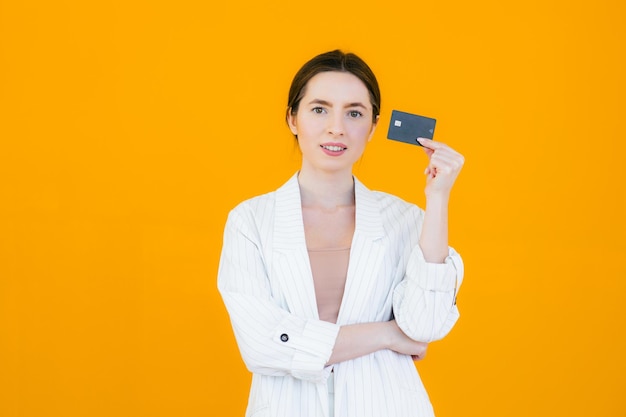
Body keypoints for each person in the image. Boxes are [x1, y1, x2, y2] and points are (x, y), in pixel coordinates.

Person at [217, 50, 465, 417]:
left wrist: (438, 198)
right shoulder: (251, 221)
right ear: (293, 119)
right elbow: (261, 346)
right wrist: (387, 335)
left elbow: (424, 324)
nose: (337, 127)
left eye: (354, 112)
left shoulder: (405, 220)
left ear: (374, 126)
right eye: (319, 109)